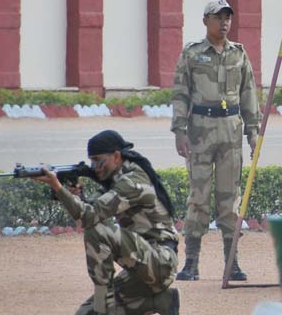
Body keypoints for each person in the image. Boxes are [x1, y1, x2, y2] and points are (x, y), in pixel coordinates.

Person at [33, 130, 180, 315]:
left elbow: (89, 217)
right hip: (141, 266)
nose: (94, 166)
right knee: (86, 314)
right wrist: (73, 194)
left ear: (116, 156)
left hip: (159, 263)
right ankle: (160, 301)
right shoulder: (117, 180)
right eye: (91, 161)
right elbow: (91, 208)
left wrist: (58, 187)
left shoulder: (132, 181)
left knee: (96, 231)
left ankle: (105, 308)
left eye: (97, 160)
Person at [171, 0, 258, 282]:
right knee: (198, 197)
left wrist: (253, 133)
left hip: (230, 130)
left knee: (229, 199)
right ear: (205, 20)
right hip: (200, 130)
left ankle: (232, 263)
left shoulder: (239, 54)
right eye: (218, 17)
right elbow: (181, 93)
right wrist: (179, 130)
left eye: (228, 17)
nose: (224, 22)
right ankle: (191, 263)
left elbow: (249, 95)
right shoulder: (193, 54)